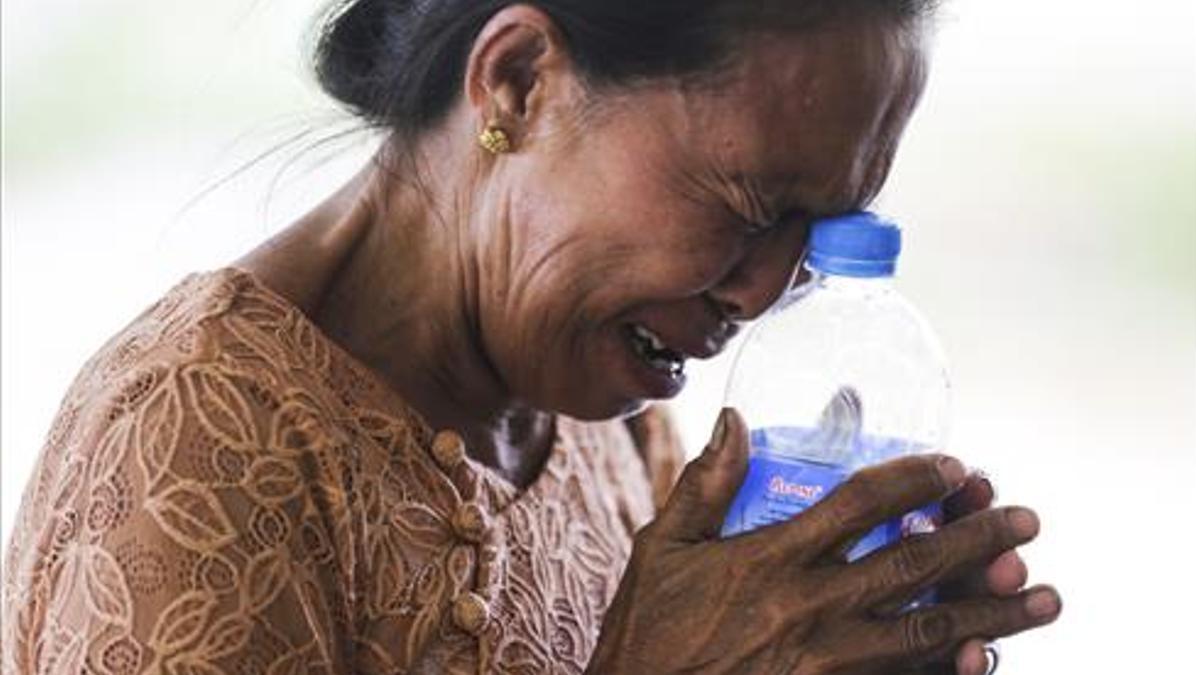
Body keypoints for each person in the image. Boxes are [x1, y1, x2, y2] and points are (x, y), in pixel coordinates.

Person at [2, 1, 1061, 673]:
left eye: (814, 237)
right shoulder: (196, 447)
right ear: (517, 80)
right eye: (749, 205)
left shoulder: (604, 422)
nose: (767, 290)